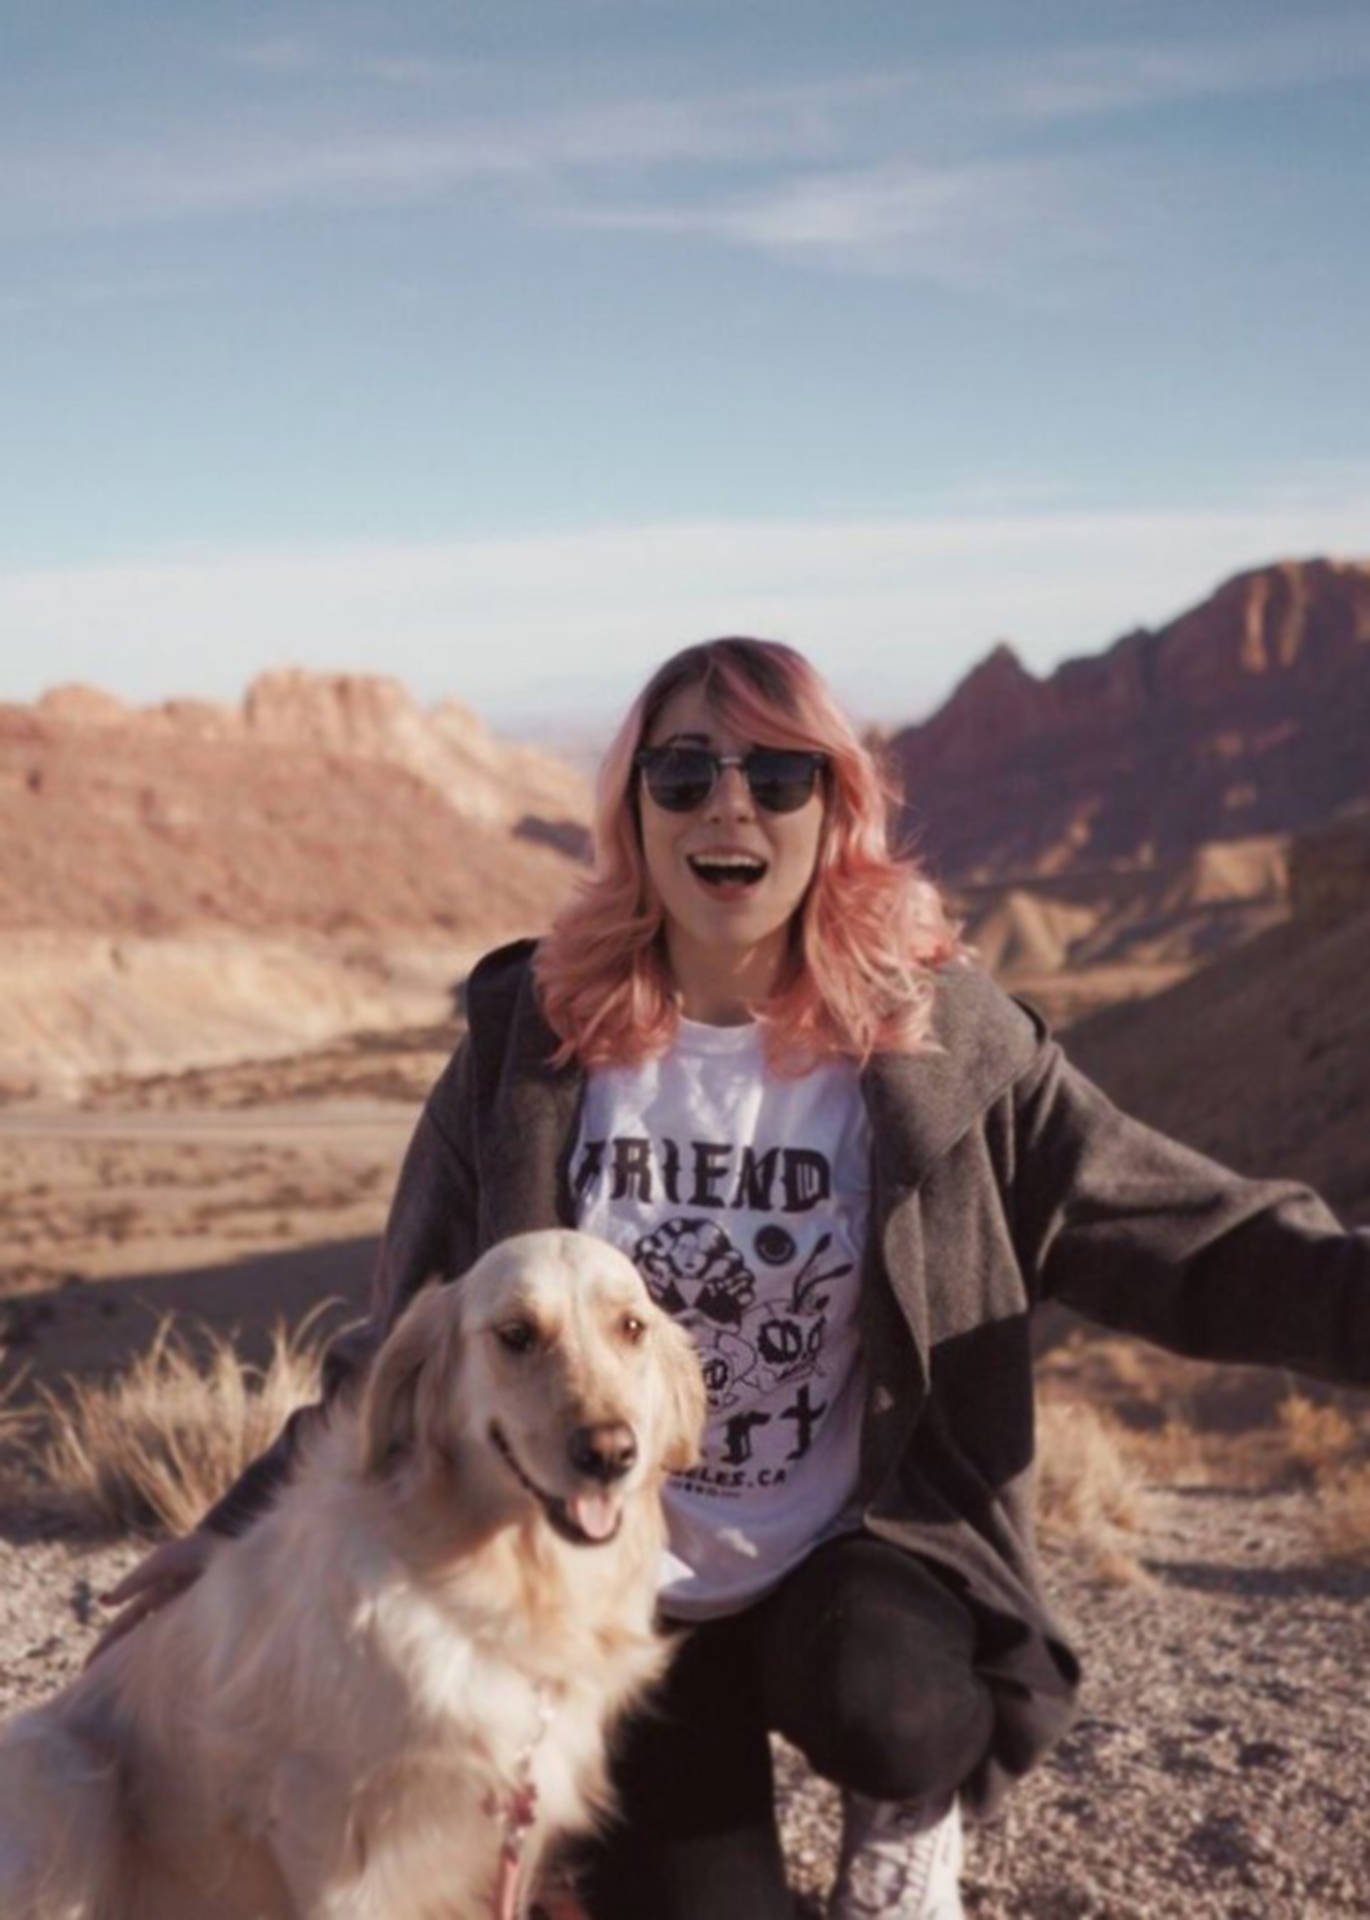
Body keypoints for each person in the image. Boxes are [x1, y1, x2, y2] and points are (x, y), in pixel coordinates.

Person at [101, 636, 1370, 1920]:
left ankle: (903, 1822)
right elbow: (415, 1325)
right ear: (632, 809)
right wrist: (235, 1522)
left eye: (777, 773)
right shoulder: (528, 1049)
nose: (729, 806)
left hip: (845, 1560)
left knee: (895, 1703)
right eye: (684, 772)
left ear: (835, 812)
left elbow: (1177, 1233)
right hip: (614, 1595)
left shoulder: (938, 1045)